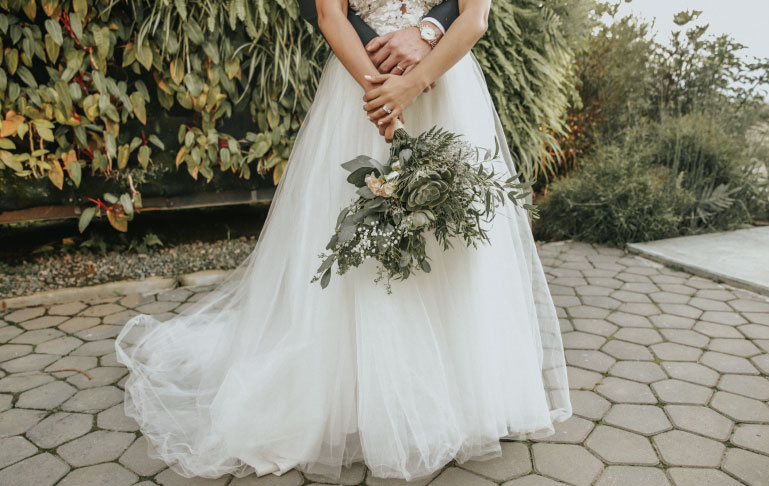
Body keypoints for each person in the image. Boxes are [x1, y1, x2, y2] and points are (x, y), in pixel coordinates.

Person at [114, 0, 571, 482]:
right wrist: (384, 100)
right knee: (359, 248)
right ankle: (355, 401)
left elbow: (475, 17)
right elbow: (331, 16)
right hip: (359, 90)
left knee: (453, 246)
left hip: (444, 85)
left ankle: (463, 397)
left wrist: (414, 77)